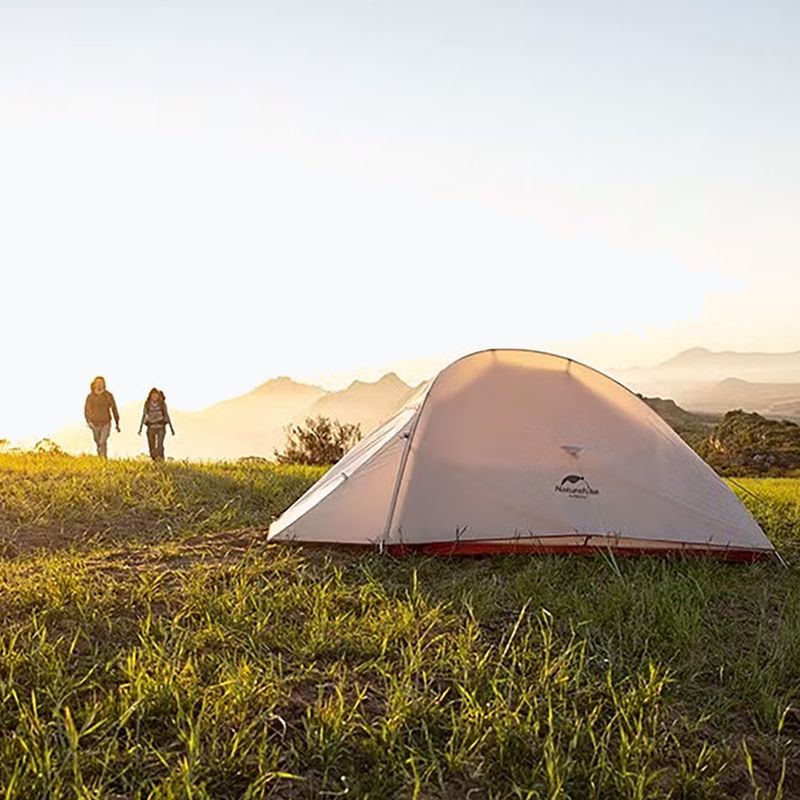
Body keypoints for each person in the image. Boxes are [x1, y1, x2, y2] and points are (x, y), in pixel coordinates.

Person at [84, 376, 120, 458]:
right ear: (94, 385)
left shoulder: (108, 395)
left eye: (101, 383)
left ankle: (103, 458)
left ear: (104, 384)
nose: (100, 385)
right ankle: (100, 457)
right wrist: (88, 421)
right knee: (98, 442)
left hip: (106, 422)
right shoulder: (90, 397)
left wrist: (117, 423)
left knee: (103, 440)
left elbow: (114, 409)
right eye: (98, 383)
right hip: (94, 423)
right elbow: (86, 410)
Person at [138, 388, 175, 461]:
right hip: (151, 426)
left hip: (160, 426)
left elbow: (166, 415)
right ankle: (155, 459)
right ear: (150, 396)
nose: (154, 397)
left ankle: (160, 459)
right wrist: (140, 428)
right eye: (153, 395)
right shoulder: (147, 404)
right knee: (152, 447)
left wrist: (171, 429)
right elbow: (144, 415)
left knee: (159, 446)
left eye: (156, 395)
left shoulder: (162, 404)